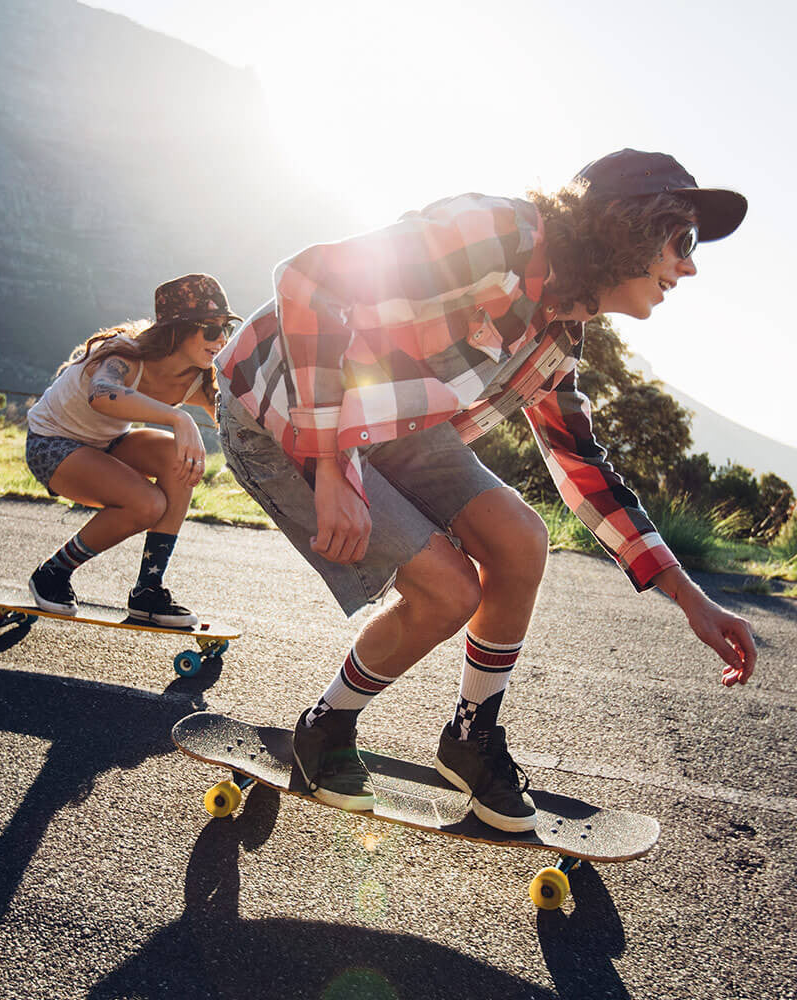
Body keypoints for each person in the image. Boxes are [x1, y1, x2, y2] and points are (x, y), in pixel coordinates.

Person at [214, 148, 758, 832]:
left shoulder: (561, 335)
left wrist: (689, 597)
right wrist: (331, 466)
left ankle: (469, 738)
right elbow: (309, 280)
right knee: (450, 590)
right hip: (280, 404)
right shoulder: (497, 235)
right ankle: (325, 728)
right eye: (684, 241)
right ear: (631, 226)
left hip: (386, 415)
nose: (690, 265)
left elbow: (581, 463)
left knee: (521, 540)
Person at [23, 273, 240, 627]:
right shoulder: (125, 352)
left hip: (106, 444)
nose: (221, 340)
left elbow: (238, 424)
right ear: (178, 329)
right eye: (211, 329)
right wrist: (178, 419)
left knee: (180, 461)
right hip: (51, 444)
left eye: (225, 329)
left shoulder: (198, 376)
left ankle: (148, 592)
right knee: (148, 504)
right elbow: (101, 392)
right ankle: (52, 573)